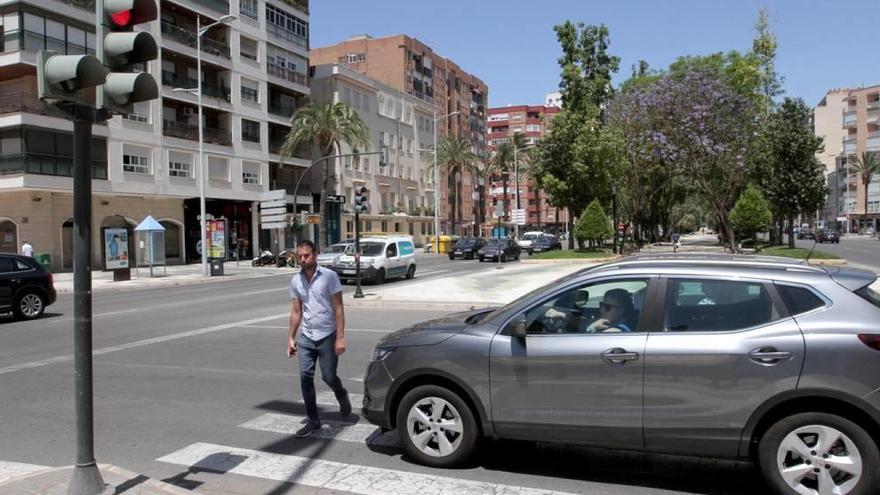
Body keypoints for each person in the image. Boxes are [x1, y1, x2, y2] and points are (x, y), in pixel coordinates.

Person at [288, 239, 351, 438]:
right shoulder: (296, 281)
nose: (303, 259)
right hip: (307, 335)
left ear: (315, 255)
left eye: (306, 255)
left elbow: (339, 309)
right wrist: (291, 337)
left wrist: (340, 337)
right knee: (305, 377)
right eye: (300, 256)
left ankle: (341, 393)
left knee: (328, 377)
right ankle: (313, 420)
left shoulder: (329, 277)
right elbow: (296, 311)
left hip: (327, 335)